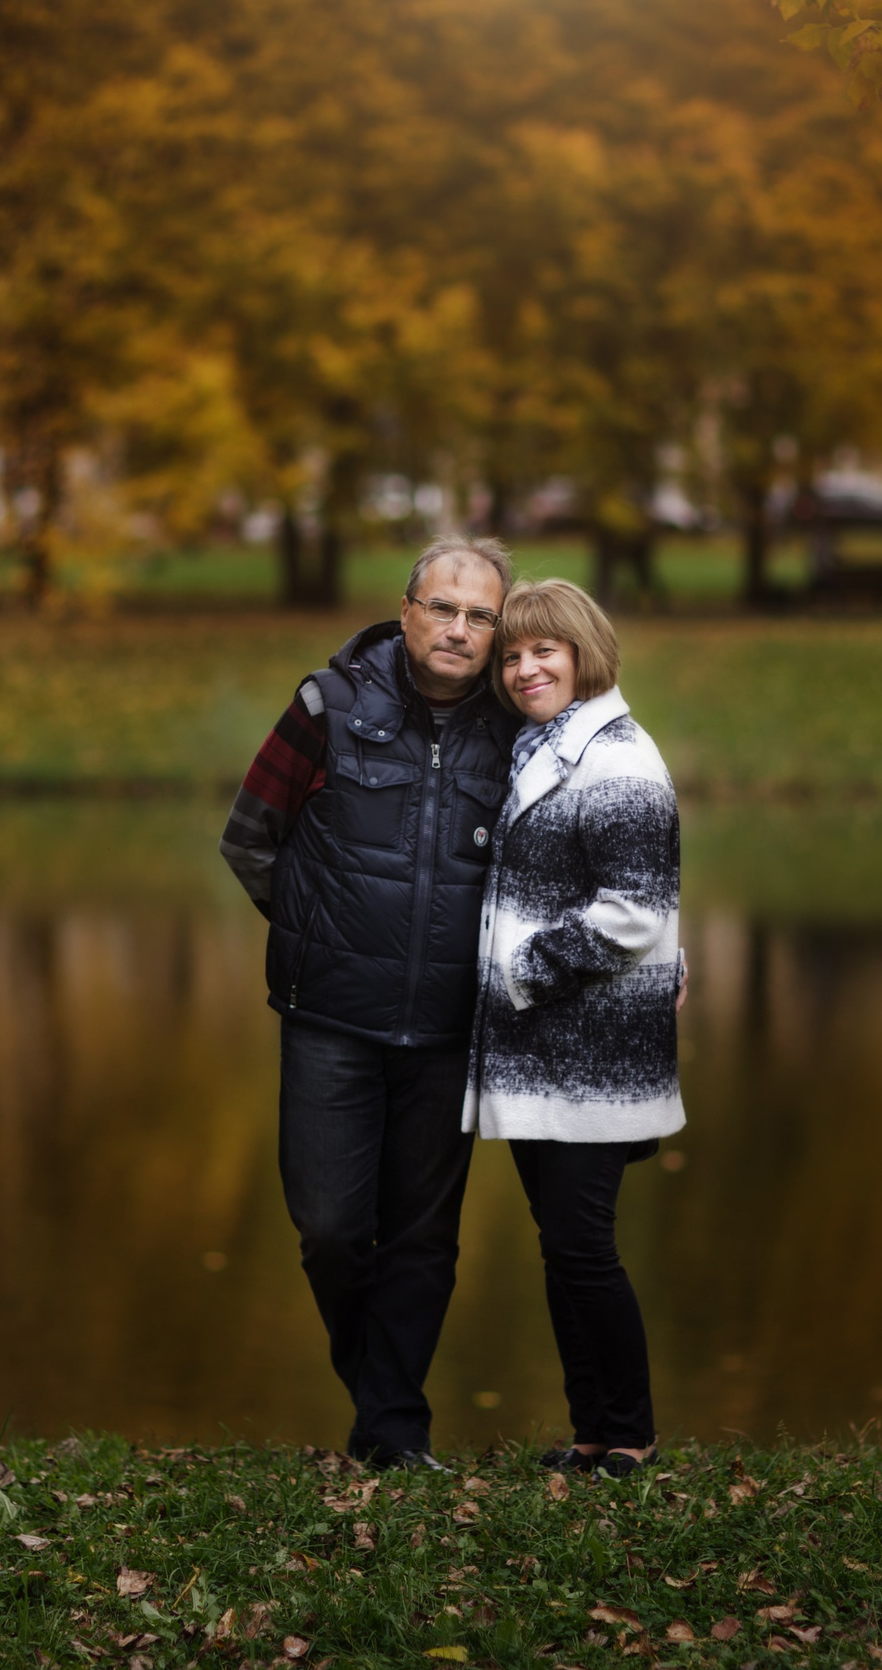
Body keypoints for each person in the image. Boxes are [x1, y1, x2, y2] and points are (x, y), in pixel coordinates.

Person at [220, 535, 521, 1468]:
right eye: (444, 607)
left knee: (424, 1240)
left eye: (481, 616)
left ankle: (392, 1433)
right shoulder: (329, 704)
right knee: (332, 1229)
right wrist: (325, 932)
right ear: (406, 610)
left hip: (447, 1028)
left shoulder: (520, 726)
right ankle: (385, 1401)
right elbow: (250, 840)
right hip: (330, 1020)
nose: (459, 629)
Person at [466, 578, 683, 1477]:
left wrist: (520, 969)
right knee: (563, 1246)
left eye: (544, 650)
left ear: (585, 651)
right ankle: (591, 1429)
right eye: (512, 655)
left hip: (591, 1050)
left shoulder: (620, 759)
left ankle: (629, 1432)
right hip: (541, 1052)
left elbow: (637, 908)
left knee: (583, 1245)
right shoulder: (539, 748)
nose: (525, 669)